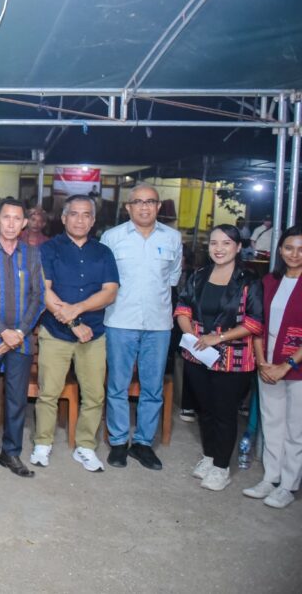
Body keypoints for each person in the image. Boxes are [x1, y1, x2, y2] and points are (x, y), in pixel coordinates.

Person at [31, 195, 119, 472]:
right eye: (74, 214)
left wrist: (77, 309)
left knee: (94, 395)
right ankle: (42, 443)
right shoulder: (48, 249)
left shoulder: (103, 252)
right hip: (55, 332)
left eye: (86, 215)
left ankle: (85, 447)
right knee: (48, 392)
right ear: (64, 218)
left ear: (93, 221)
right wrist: (73, 322)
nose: (80, 220)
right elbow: (44, 291)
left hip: (94, 333)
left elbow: (110, 292)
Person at [174, 224, 263, 491]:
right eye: (214, 243)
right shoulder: (199, 275)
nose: (219, 249)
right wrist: (191, 335)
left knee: (224, 413)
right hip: (198, 354)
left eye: (226, 243)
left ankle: (221, 467)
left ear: (238, 247)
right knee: (205, 410)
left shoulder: (249, 280)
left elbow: (254, 323)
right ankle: (210, 456)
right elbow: (183, 308)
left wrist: (218, 337)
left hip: (233, 358)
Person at [101, 183, 182, 471]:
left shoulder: (173, 238)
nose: (144, 207)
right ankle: (118, 442)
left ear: (158, 206)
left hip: (158, 325)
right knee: (117, 385)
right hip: (119, 321)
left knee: (153, 388)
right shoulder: (112, 238)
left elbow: (172, 280)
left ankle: (143, 443)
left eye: (150, 201)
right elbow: (104, 280)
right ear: (128, 207)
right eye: (138, 201)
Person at [0, 199, 45, 478]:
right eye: (6, 217)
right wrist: (3, 331)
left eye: (17, 218)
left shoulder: (32, 253)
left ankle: (11, 453)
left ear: (24, 223)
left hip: (21, 340)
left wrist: (20, 333)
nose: (11, 223)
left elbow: (39, 297)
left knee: (16, 400)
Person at [246, 226, 302, 508]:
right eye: (289, 248)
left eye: (301, 249)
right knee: (271, 423)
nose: (295, 254)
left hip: (296, 367)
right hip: (268, 364)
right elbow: (257, 323)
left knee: (296, 428)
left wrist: (286, 365)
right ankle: (271, 477)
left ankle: (288, 485)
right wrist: (262, 362)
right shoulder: (269, 281)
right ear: (280, 250)